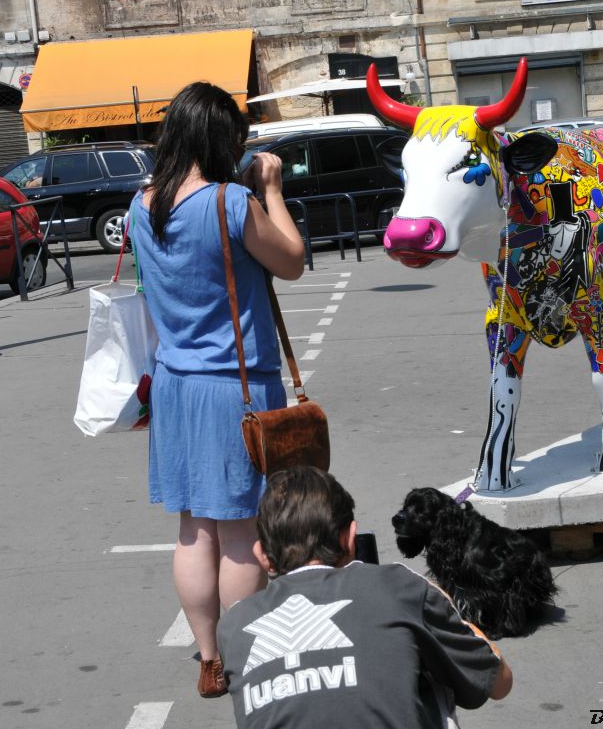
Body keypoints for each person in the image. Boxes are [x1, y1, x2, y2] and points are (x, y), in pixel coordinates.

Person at [130, 82, 304, 698]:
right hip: (237, 389)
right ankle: (243, 651)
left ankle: (209, 658)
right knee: (240, 534)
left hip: (175, 387)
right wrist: (273, 189)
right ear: (216, 137)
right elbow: (292, 259)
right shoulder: (230, 202)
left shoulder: (140, 204)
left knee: (192, 531)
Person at [217, 466, 513, 729]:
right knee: (426, 665)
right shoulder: (401, 586)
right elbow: (499, 683)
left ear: (262, 556)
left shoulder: (233, 625)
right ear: (350, 539)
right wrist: (453, 617)